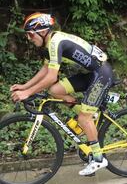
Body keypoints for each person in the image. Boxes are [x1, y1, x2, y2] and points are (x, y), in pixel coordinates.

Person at [10, 12, 114, 175]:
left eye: (30, 34)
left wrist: (27, 92)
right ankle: (88, 116)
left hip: (101, 74)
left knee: (83, 118)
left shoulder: (55, 42)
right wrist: (24, 87)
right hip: (91, 73)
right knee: (55, 90)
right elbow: (46, 70)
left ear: (42, 31)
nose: (29, 39)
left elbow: (51, 76)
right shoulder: (50, 43)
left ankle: (99, 158)